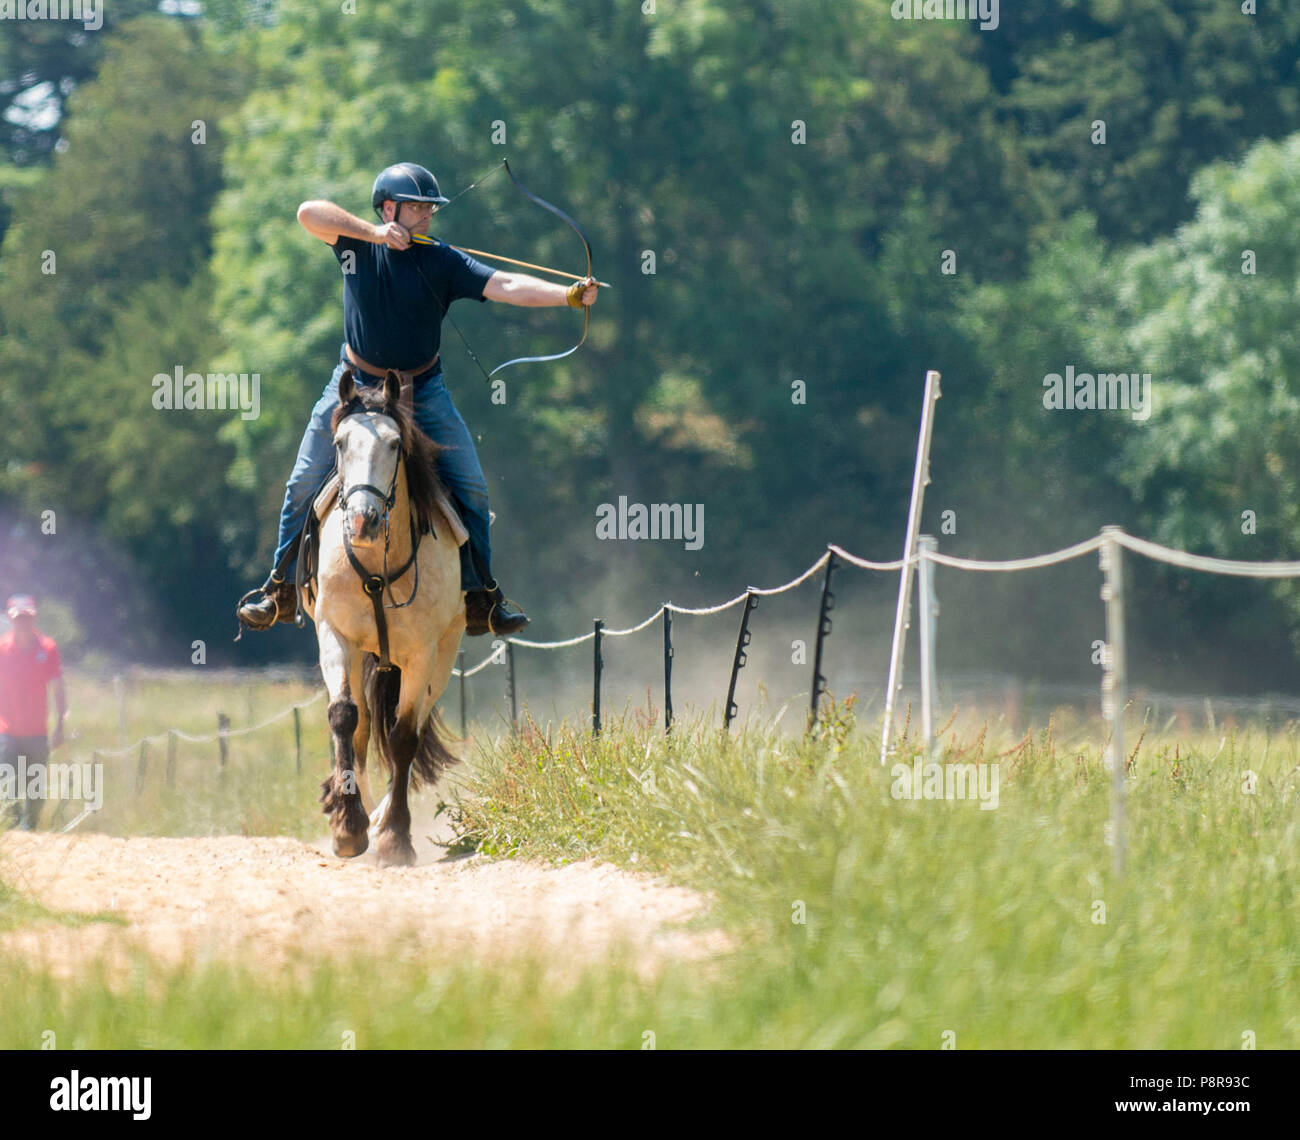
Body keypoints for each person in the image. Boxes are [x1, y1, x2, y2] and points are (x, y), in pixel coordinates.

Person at [236, 161, 599, 637]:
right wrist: (375, 234)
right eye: (416, 207)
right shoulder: (355, 244)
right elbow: (308, 213)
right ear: (389, 208)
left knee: (472, 488)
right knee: (303, 480)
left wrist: (569, 296)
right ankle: (280, 588)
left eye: (430, 208)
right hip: (354, 383)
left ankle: (481, 597)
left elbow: (505, 286)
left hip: (422, 390)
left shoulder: (443, 260)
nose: (427, 216)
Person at [0, 595, 67, 831]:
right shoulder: (2, 649)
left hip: (37, 732)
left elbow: (58, 688)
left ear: (34, 618)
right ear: (11, 619)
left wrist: (60, 724)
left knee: (35, 788)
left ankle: (30, 830)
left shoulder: (47, 648)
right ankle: (13, 831)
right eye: (19, 619)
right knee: (7, 783)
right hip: (6, 730)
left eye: (27, 618)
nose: (23, 623)